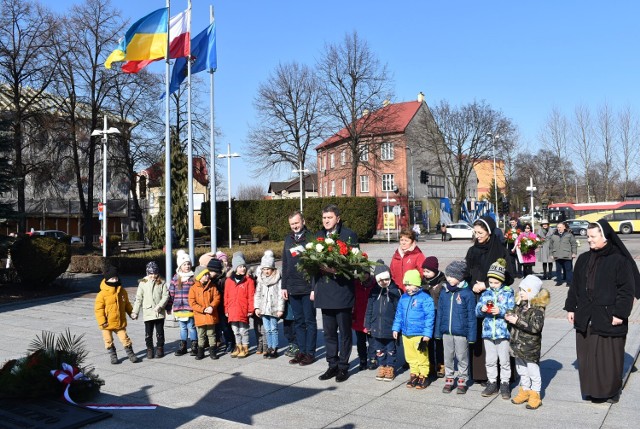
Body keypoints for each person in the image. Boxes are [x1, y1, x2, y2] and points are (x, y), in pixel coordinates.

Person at [564, 220, 639, 404]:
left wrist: (620, 314)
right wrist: (570, 307)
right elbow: (575, 287)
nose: (588, 239)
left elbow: (626, 290)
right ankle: (591, 390)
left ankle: (611, 391)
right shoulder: (583, 259)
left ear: (604, 237)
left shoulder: (619, 260)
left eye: (592, 236)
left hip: (609, 316)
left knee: (608, 359)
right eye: (587, 236)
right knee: (587, 356)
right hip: (586, 315)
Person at [465, 216, 514, 385]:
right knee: (479, 334)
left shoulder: (500, 250)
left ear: (489, 232)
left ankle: (504, 376)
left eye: (480, 232)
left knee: (498, 338)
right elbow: (468, 272)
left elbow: (508, 276)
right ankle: (481, 375)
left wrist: (486, 285)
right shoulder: (472, 250)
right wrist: (472, 285)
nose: (477, 235)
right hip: (477, 297)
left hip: (496, 297)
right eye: (475, 232)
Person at [314, 204, 358, 383]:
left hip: (342, 291)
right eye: (324, 218)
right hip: (325, 292)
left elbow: (355, 262)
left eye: (329, 218)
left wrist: (335, 270)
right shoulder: (318, 237)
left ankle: (343, 367)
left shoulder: (349, 235)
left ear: (337, 219)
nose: (326, 221)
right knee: (329, 333)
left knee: (345, 332)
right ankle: (332, 365)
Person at [505, 275, 549, 409]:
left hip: (530, 347)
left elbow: (536, 327)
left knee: (532, 371)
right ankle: (524, 390)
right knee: (521, 369)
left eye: (524, 291)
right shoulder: (520, 303)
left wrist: (517, 321)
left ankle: (535, 394)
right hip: (517, 344)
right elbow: (512, 312)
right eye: (520, 290)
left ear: (531, 292)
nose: (520, 293)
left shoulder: (538, 309)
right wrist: (508, 315)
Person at [476, 258, 515, 399]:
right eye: (490, 282)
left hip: (502, 332)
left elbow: (512, 310)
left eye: (496, 283)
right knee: (490, 360)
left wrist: (502, 311)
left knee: (504, 360)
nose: (493, 285)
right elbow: (477, 311)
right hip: (488, 332)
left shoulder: (508, 292)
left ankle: (505, 383)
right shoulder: (486, 293)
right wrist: (482, 308)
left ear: (502, 281)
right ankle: (492, 382)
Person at [435, 260, 477, 394]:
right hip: (447, 332)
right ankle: (449, 378)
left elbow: (471, 316)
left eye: (452, 276)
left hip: (461, 333)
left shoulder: (467, 294)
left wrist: (471, 335)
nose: (448, 278)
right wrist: (437, 332)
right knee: (448, 357)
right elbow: (440, 312)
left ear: (460, 277)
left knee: (462, 357)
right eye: (447, 276)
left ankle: (462, 380)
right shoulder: (444, 292)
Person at [281, 211, 317, 366]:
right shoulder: (288, 240)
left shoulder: (311, 239)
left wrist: (315, 288)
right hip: (293, 288)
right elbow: (285, 263)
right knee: (298, 322)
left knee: (310, 322)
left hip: (308, 288)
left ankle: (310, 353)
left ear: (303, 221)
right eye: (292, 224)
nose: (295, 226)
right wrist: (284, 286)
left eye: (297, 223)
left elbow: (316, 265)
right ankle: (301, 351)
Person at [392, 269, 435, 390]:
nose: (407, 287)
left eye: (410, 284)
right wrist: (396, 328)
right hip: (406, 333)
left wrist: (427, 334)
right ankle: (414, 373)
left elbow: (429, 317)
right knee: (410, 356)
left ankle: (424, 375)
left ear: (417, 284)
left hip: (419, 333)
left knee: (421, 356)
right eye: (406, 285)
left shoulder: (425, 298)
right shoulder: (403, 298)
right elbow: (399, 314)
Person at [365, 260, 401, 381]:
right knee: (379, 349)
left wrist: (398, 327)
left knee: (391, 349)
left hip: (390, 327)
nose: (384, 282)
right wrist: (367, 324)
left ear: (389, 277)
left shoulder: (395, 291)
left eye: (386, 279)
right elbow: (369, 309)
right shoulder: (374, 292)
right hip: (376, 327)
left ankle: (390, 366)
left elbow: (398, 311)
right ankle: (382, 365)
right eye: (380, 280)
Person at [94, 265, 139, 364]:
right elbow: (98, 309)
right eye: (112, 278)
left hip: (119, 322)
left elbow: (127, 304)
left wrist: (131, 313)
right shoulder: (102, 294)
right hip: (106, 324)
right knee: (108, 340)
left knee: (125, 338)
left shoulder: (122, 291)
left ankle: (131, 354)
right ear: (107, 279)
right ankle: (113, 355)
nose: (114, 280)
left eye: (116, 278)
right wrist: (102, 322)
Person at [132, 261, 169, 359]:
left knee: (160, 332)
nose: (153, 276)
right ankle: (149, 349)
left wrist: (160, 305)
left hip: (158, 312)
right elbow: (138, 298)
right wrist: (135, 312)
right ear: (147, 273)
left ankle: (160, 347)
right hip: (148, 312)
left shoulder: (162, 282)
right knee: (148, 333)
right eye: (151, 273)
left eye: (155, 273)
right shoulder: (143, 283)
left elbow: (166, 296)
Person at [224, 251, 256, 359]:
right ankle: (238, 347)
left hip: (243, 309)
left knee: (244, 330)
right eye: (240, 267)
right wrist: (226, 310)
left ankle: (245, 347)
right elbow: (226, 296)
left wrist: (250, 309)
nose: (242, 268)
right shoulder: (229, 281)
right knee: (235, 330)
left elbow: (251, 296)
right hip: (232, 310)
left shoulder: (248, 281)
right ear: (235, 268)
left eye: (244, 266)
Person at [254, 250, 285, 359]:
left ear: (272, 269)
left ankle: (274, 347)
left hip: (274, 308)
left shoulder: (278, 279)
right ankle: (269, 347)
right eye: (264, 269)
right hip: (263, 309)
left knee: (273, 328)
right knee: (267, 329)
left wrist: (280, 309)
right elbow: (257, 294)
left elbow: (281, 296)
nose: (266, 271)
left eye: (268, 269)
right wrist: (257, 307)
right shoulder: (260, 279)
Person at [169, 250, 198, 357]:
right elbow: (171, 292)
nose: (187, 266)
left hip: (190, 307)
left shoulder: (193, 277)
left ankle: (195, 345)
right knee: (182, 327)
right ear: (180, 266)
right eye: (185, 264)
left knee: (191, 326)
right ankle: (183, 346)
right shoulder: (176, 278)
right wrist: (169, 306)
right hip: (179, 307)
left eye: (188, 264)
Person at [189, 266, 221, 360]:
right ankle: (200, 351)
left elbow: (217, 297)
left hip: (211, 314)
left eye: (207, 274)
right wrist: (203, 309)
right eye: (205, 274)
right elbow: (192, 302)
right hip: (200, 315)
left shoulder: (212, 286)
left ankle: (212, 351)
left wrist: (212, 306)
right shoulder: (193, 288)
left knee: (211, 333)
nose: (207, 276)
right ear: (199, 276)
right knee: (201, 334)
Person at [421, 256, 446, 378]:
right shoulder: (423, 282)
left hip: (438, 313)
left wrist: (435, 289)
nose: (425, 274)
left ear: (435, 271)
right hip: (427, 315)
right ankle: (430, 363)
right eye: (424, 271)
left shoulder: (442, 282)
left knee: (439, 340)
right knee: (428, 340)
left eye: (428, 271)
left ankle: (441, 363)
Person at [207, 257, 234, 355]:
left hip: (222, 307)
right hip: (214, 307)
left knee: (225, 326)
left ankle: (230, 342)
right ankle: (217, 342)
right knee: (216, 327)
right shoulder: (210, 279)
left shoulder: (223, 280)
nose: (209, 273)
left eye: (211, 271)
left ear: (217, 271)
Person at [353, 269, 377, 370]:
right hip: (358, 317)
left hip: (371, 317)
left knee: (372, 340)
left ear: (369, 273)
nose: (363, 276)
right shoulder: (356, 284)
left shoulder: (375, 284)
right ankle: (362, 359)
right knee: (360, 341)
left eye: (365, 273)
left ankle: (372, 359)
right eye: (360, 273)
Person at [390, 228, 426, 292]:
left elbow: (422, 274)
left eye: (406, 240)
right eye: (401, 240)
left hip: (412, 291)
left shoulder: (418, 255)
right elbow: (391, 273)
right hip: (396, 291)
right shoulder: (396, 255)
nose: (403, 243)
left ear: (412, 242)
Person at [549, 221, 577, 287]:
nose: (559, 228)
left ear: (564, 227)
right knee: (558, 269)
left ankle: (569, 282)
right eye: (558, 227)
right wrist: (551, 254)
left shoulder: (569, 235)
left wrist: (574, 253)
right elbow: (551, 246)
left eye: (560, 227)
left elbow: (574, 244)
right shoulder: (553, 236)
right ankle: (559, 281)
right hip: (557, 255)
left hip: (567, 255)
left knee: (568, 269)